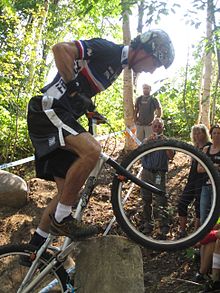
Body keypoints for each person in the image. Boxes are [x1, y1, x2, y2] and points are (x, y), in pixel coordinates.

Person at [27, 29, 175, 248]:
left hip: (61, 114)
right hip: (48, 110)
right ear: (145, 52)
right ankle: (61, 219)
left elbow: (80, 89)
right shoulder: (109, 50)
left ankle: (34, 248)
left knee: (66, 193)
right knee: (92, 151)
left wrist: (88, 108)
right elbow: (60, 50)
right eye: (155, 64)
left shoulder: (116, 66)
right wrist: (74, 88)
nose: (151, 71)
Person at [141, 118, 174, 238]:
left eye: (159, 126)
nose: (157, 128)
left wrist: (165, 145)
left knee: (161, 199)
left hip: (159, 174)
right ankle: (148, 224)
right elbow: (139, 152)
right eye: (155, 126)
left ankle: (164, 225)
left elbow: (171, 157)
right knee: (146, 199)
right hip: (146, 172)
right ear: (151, 127)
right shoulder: (146, 140)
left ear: (163, 128)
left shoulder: (166, 140)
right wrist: (147, 142)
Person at [177, 124, 211, 238]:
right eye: (195, 133)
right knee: (182, 203)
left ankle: (196, 233)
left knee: (198, 207)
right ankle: (182, 230)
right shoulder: (194, 147)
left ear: (204, 134)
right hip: (192, 180)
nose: (197, 135)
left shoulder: (208, 147)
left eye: (199, 133)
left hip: (203, 180)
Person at [198, 124, 220, 225]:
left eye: (219, 133)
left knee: (215, 216)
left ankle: (214, 239)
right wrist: (212, 167)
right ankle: (203, 238)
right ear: (211, 135)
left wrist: (212, 168)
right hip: (205, 185)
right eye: (214, 133)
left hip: (217, 187)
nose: (216, 135)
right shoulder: (206, 149)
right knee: (204, 216)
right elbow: (199, 169)